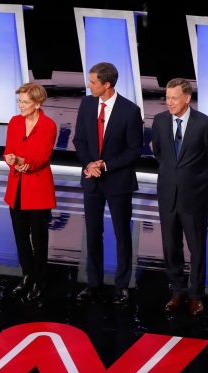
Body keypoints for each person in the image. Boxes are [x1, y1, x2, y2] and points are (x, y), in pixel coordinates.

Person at [72, 62, 143, 304]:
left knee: (122, 234)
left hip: (118, 182)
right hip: (92, 181)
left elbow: (134, 151)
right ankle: (93, 283)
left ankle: (122, 285)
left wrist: (105, 165)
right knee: (93, 233)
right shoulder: (87, 104)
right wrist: (89, 164)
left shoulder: (130, 111)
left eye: (92, 82)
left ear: (107, 85)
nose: (88, 85)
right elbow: (79, 140)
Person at [151, 78, 208, 316]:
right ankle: (178, 291)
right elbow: (159, 153)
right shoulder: (160, 121)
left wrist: (191, 176)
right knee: (171, 246)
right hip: (168, 193)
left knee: (197, 247)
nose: (169, 102)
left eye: (174, 98)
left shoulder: (205, 124)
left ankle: (195, 295)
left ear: (187, 98)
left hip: (195, 195)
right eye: (167, 97)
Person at [3, 83, 57, 303]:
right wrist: (10, 159)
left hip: (38, 189)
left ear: (37, 103)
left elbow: (43, 157)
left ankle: (39, 280)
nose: (21, 106)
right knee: (20, 236)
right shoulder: (15, 122)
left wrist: (25, 163)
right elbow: (9, 150)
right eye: (19, 101)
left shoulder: (48, 125)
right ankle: (27, 275)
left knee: (39, 239)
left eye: (25, 102)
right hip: (17, 187)